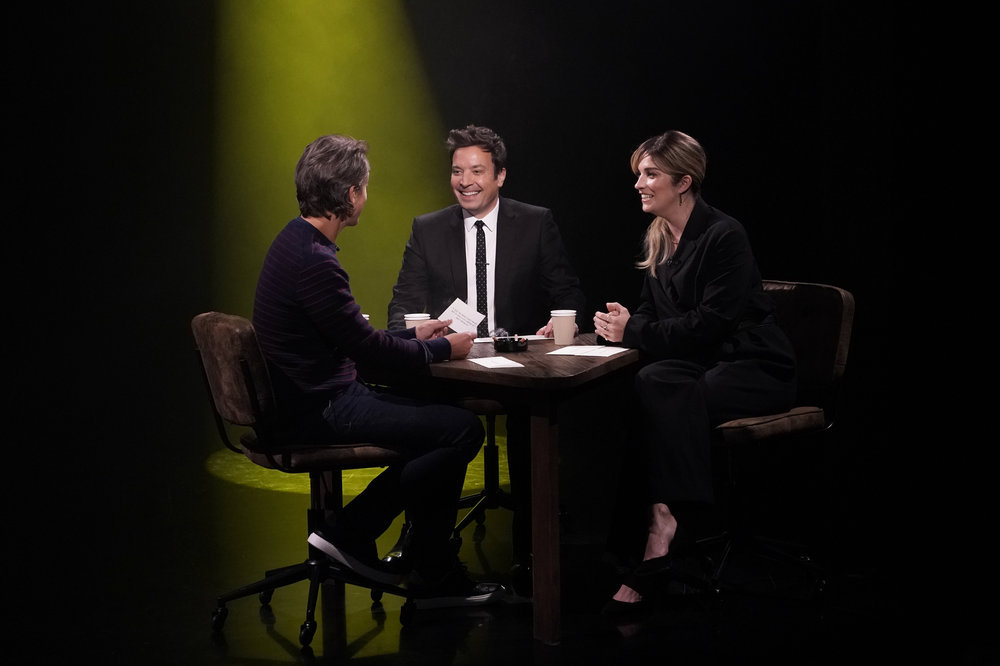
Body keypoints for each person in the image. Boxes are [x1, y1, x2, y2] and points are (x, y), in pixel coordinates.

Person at [252, 134, 504, 606]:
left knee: (439, 421)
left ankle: (427, 566)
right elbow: (368, 353)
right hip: (320, 407)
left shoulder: (294, 240)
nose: (366, 196)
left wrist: (415, 335)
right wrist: (442, 349)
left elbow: (355, 338)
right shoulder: (315, 262)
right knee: (461, 430)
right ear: (351, 194)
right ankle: (356, 533)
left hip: (307, 398)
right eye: (364, 187)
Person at [594, 130, 797, 615]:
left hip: (753, 363)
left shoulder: (724, 234)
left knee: (664, 390)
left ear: (683, 181)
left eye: (651, 174)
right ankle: (654, 526)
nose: (639, 184)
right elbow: (652, 312)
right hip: (705, 361)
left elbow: (711, 323)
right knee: (651, 382)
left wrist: (635, 331)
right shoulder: (659, 235)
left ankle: (666, 525)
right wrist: (625, 324)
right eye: (639, 174)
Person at [385, 124, 587, 585]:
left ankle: (532, 549)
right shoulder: (428, 228)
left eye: (477, 171)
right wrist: (417, 331)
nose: (465, 181)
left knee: (532, 414)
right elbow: (401, 305)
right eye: (457, 171)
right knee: (426, 411)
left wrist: (559, 322)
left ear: (500, 175)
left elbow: (568, 292)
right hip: (453, 365)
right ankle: (425, 539)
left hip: (518, 362)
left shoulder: (535, 222)